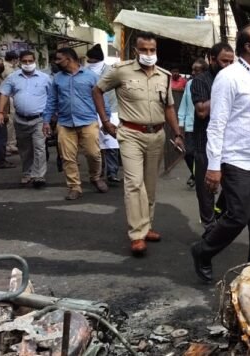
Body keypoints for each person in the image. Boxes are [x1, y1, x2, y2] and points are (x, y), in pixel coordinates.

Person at [190, 25, 250, 282]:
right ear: (248, 47)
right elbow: (216, 124)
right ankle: (203, 251)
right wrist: (214, 166)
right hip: (238, 160)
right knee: (238, 216)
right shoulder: (229, 77)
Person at [93, 31, 185, 256]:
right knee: (134, 183)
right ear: (135, 50)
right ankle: (137, 234)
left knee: (150, 185)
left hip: (157, 135)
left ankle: (147, 225)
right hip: (130, 134)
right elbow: (97, 90)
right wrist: (105, 121)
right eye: (143, 49)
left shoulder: (164, 76)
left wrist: (177, 133)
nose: (148, 53)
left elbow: (169, 107)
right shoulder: (121, 71)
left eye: (152, 50)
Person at [43, 47, 110, 200]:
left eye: (59, 59)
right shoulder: (57, 78)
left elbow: (102, 99)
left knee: (93, 154)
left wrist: (106, 120)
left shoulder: (91, 76)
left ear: (69, 59)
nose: (56, 62)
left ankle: (95, 177)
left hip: (88, 121)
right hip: (65, 123)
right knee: (68, 157)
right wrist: (46, 121)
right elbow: (51, 100)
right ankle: (74, 186)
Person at [190, 42, 235, 230]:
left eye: (231, 62)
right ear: (212, 59)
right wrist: (223, 94)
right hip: (205, 143)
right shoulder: (201, 81)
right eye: (224, 61)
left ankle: (219, 216)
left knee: (233, 185)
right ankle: (209, 226)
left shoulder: (235, 79)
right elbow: (201, 111)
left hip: (230, 143)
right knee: (206, 188)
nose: (228, 65)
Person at [0, 51, 50, 186]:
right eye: (24, 61)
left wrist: (51, 117)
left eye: (30, 61)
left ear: (34, 61)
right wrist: (0, 112)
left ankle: (38, 176)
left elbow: (52, 97)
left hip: (39, 119)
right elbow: (3, 94)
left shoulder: (45, 78)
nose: (27, 64)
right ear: (19, 61)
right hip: (20, 119)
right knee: (25, 149)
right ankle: (27, 173)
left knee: (39, 147)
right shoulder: (12, 77)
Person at [86, 44, 121, 183]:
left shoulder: (112, 71)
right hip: (92, 112)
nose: (90, 62)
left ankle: (112, 172)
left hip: (112, 110)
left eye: (93, 60)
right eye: (89, 60)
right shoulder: (84, 72)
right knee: (96, 144)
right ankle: (98, 172)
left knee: (112, 144)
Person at [178, 59, 208, 189]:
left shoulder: (210, 84)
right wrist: (181, 124)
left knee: (203, 156)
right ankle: (197, 175)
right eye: (192, 70)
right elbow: (184, 104)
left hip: (205, 126)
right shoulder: (189, 84)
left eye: (197, 70)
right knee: (188, 153)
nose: (193, 73)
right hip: (190, 125)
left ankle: (199, 177)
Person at [3, 51, 18, 156]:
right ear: (14, 59)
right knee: (10, 122)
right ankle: (10, 145)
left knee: (11, 122)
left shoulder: (7, 67)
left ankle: (11, 144)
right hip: (9, 97)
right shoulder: (8, 69)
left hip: (8, 96)